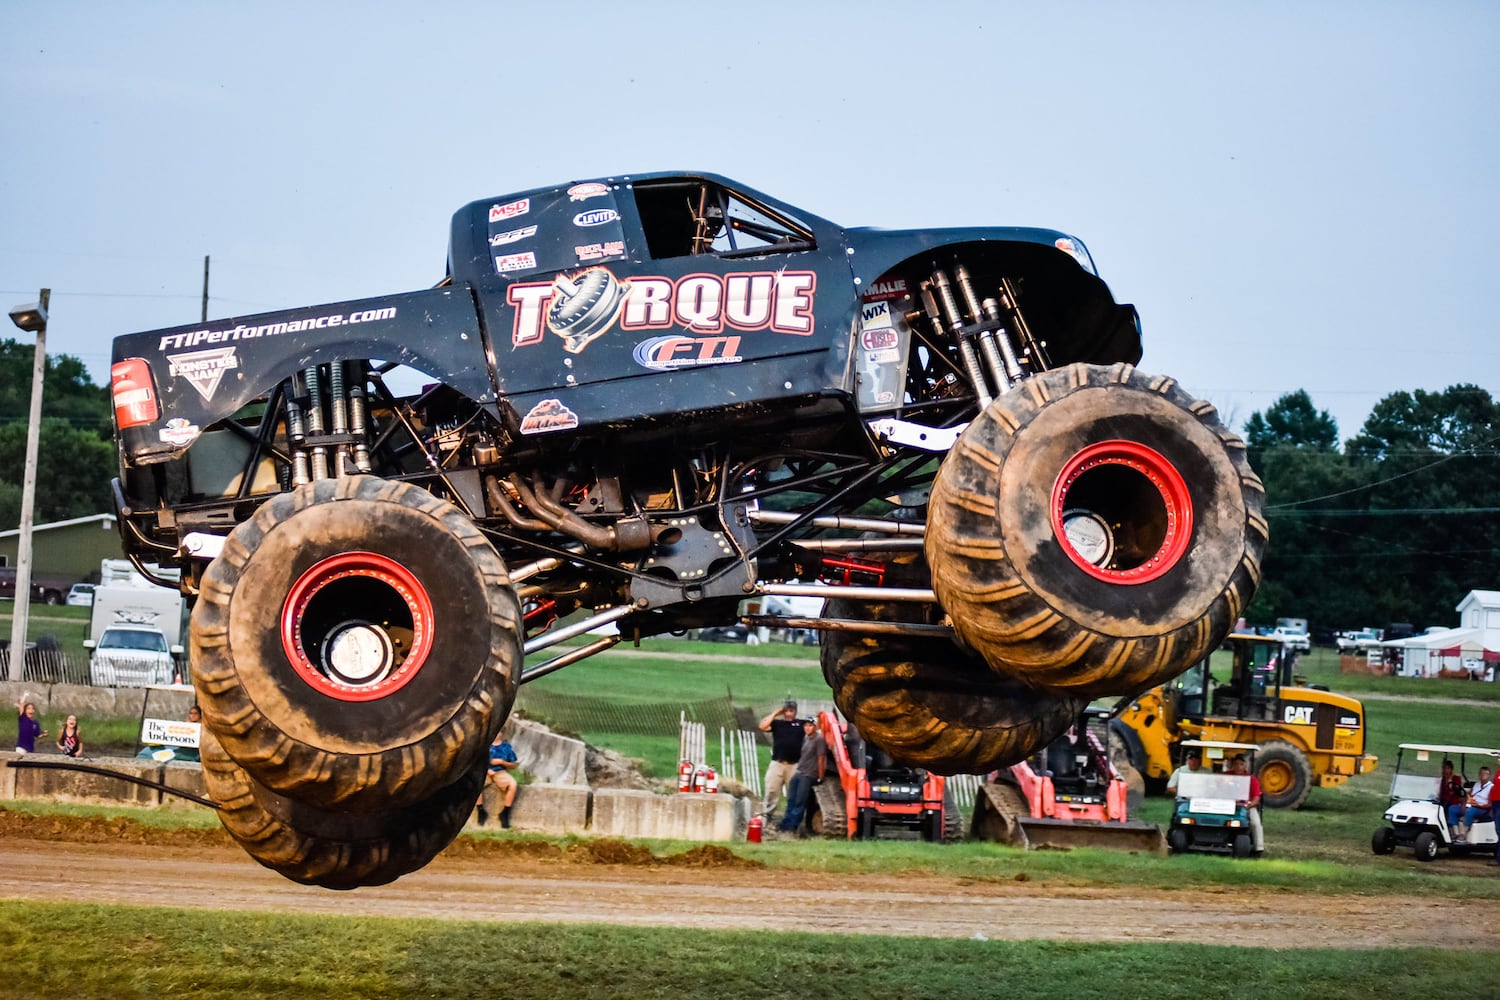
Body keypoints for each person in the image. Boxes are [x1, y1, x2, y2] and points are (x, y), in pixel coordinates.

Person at [777, 718, 826, 837]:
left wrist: (820, 776)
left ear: (815, 727)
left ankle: (792, 828)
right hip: (799, 772)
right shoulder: (806, 738)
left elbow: (821, 758)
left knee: (799, 802)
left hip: (809, 774)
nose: (807, 728)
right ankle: (785, 824)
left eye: (810, 726)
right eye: (806, 726)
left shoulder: (819, 739)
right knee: (791, 799)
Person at [758, 700, 805, 821]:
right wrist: (775, 713)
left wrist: (817, 716)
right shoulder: (777, 724)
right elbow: (762, 726)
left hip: (794, 765)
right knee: (771, 791)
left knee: (793, 794)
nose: (789, 714)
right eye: (786, 711)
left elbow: (816, 722)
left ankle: (791, 822)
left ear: (795, 712)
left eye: (791, 711)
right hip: (777, 763)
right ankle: (766, 818)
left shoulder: (800, 724)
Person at [477, 731, 519, 828]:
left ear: (501, 733)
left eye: (499, 731)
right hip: (485, 772)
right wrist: (487, 770)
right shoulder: (485, 745)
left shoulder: (506, 747)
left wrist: (502, 762)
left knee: (513, 784)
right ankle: (481, 811)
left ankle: (505, 813)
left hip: (500, 773)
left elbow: (513, 765)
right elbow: (477, 762)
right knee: (475, 785)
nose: (496, 734)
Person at [1228, 754, 1264, 853]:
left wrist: (1248, 805)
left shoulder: (1252, 779)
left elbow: (1256, 799)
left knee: (1255, 822)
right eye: (1236, 764)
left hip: (1246, 806)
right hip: (1227, 805)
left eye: (1241, 764)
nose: (1238, 767)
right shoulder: (1226, 775)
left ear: (1245, 766)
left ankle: (1258, 847)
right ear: (1232, 765)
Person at [1451, 766, 1492, 842]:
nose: (1482, 775)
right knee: (1452, 809)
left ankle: (1463, 834)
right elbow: (1469, 795)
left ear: (1489, 775)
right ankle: (1456, 833)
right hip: (1471, 805)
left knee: (1470, 811)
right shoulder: (1477, 784)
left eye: (1485, 773)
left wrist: (1477, 805)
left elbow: (1490, 804)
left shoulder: (1491, 787)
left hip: (1482, 809)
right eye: (1481, 773)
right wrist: (1464, 798)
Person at [1438, 759, 1467, 831]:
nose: (1445, 770)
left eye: (1447, 768)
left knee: (1444, 807)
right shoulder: (1443, 779)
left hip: (1454, 801)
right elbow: (1441, 792)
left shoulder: (1456, 779)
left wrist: (1450, 782)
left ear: (1451, 769)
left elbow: (1456, 791)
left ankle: (1446, 827)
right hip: (1444, 800)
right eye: (1444, 768)